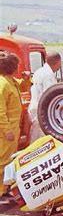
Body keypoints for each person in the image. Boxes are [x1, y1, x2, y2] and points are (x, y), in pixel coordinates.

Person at [0, 52, 22, 196]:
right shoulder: (3, 85)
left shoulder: (10, 82)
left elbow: (23, 86)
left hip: (13, 130)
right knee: (2, 161)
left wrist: (26, 80)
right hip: (5, 132)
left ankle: (4, 189)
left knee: (8, 161)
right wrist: (6, 130)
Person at [28, 51, 61, 142]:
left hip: (35, 108)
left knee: (35, 137)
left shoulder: (39, 71)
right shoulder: (48, 75)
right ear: (58, 62)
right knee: (41, 140)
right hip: (42, 111)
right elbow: (49, 95)